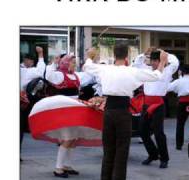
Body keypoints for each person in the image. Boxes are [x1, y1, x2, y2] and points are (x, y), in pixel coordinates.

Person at [84, 43, 167, 180]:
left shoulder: (105, 69)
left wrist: (90, 56)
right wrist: (163, 61)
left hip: (109, 111)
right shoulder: (132, 71)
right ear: (127, 55)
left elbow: (87, 66)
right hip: (122, 111)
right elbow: (156, 75)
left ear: (114, 54)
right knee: (122, 150)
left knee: (108, 150)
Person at [31, 54, 103, 178]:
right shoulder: (59, 75)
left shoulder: (76, 75)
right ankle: (58, 168)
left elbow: (91, 76)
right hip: (64, 112)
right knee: (68, 139)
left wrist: (92, 61)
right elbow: (47, 75)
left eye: (75, 62)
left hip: (75, 111)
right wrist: (54, 63)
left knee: (73, 140)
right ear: (65, 63)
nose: (74, 64)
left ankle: (67, 166)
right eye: (72, 62)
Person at [132, 48, 179, 168]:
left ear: (160, 61)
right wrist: (144, 54)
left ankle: (164, 158)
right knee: (142, 131)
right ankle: (153, 154)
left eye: (155, 60)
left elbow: (175, 62)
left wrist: (166, 54)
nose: (152, 63)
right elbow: (136, 64)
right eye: (151, 60)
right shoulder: (146, 70)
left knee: (159, 133)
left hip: (158, 105)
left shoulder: (167, 70)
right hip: (146, 104)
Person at [20, 46, 45, 159]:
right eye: (31, 61)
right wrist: (40, 54)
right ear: (26, 60)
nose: (31, 63)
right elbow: (40, 71)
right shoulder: (25, 71)